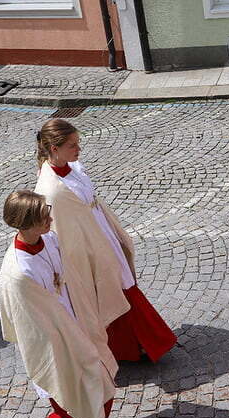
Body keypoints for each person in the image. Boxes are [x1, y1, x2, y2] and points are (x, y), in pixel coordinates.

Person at [34, 119, 176, 364]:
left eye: (78, 143)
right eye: (72, 145)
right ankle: (132, 347)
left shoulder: (73, 166)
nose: (78, 150)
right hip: (86, 248)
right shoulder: (51, 190)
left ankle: (143, 343)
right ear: (54, 149)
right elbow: (60, 231)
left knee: (122, 282)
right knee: (110, 289)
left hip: (101, 233)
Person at [0, 190, 120, 418]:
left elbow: (66, 277)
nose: (51, 219)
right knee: (68, 391)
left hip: (74, 320)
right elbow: (31, 323)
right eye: (44, 217)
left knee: (96, 379)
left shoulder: (49, 239)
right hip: (55, 340)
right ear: (26, 223)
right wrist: (67, 340)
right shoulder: (19, 272)